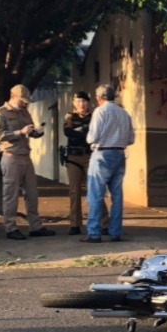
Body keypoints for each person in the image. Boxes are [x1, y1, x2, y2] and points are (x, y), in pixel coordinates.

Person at [0, 84, 54, 241]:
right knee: (11, 194)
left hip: (26, 156)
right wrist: (20, 132)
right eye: (22, 100)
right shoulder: (0, 113)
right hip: (11, 156)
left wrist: (36, 132)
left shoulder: (24, 112)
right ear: (13, 96)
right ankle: (10, 227)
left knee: (32, 193)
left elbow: (29, 132)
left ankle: (35, 226)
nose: (24, 103)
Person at [85, 83, 132, 243]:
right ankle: (115, 232)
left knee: (95, 194)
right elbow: (131, 138)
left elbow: (93, 137)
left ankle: (94, 233)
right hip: (119, 153)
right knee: (117, 195)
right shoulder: (124, 113)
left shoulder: (100, 111)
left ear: (99, 98)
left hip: (102, 154)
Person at [61, 92, 92, 235]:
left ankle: (103, 223)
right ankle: (75, 224)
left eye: (84, 101)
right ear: (74, 103)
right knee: (74, 191)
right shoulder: (69, 117)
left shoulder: (94, 117)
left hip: (90, 157)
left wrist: (79, 132)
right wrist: (85, 133)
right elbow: (68, 132)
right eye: (78, 101)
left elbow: (95, 134)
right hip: (74, 157)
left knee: (94, 190)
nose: (81, 104)